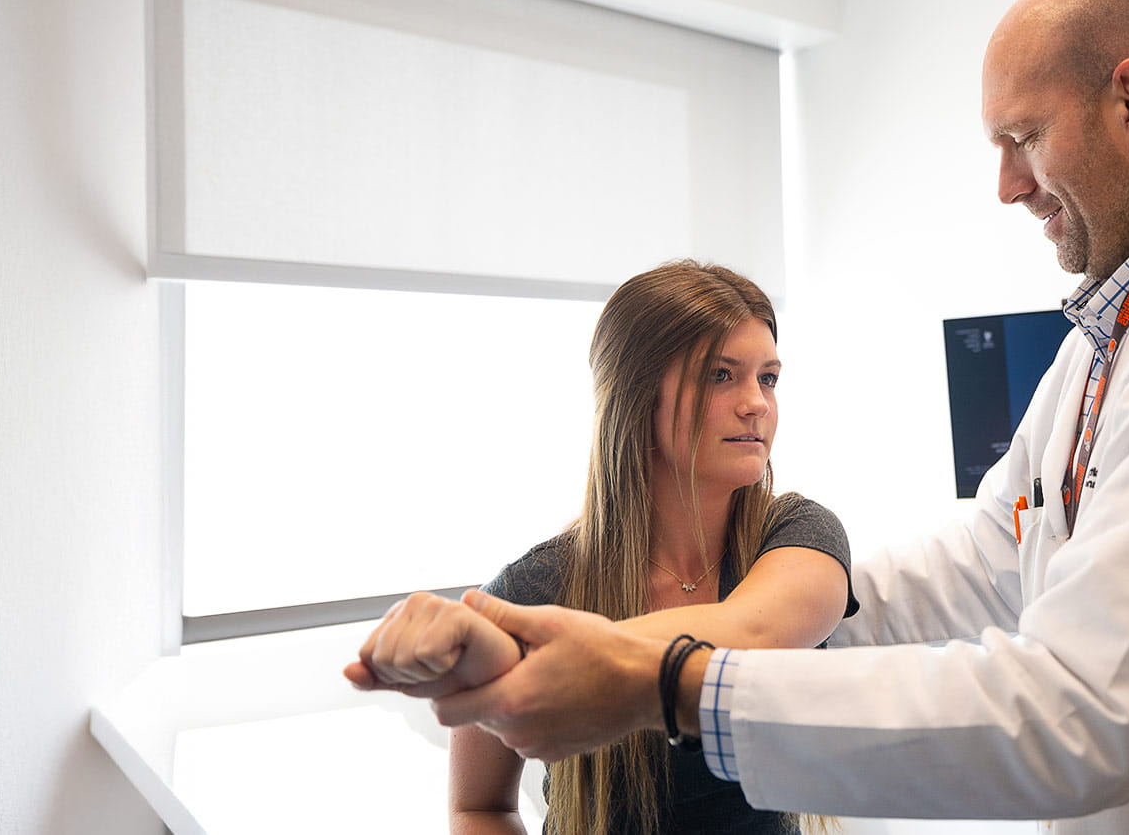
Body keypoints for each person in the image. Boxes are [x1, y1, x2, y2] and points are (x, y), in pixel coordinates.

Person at [354, 0, 1129, 833]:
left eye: (1023, 138)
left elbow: (1080, 711)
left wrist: (667, 684)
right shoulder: (1102, 343)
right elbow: (985, 560)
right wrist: (590, 634)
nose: (1005, 187)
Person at [345, 260, 858, 834]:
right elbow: (479, 806)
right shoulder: (536, 588)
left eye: (768, 377)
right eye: (720, 375)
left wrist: (516, 648)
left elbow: (756, 633)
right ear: (639, 396)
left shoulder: (797, 534)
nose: (757, 403)